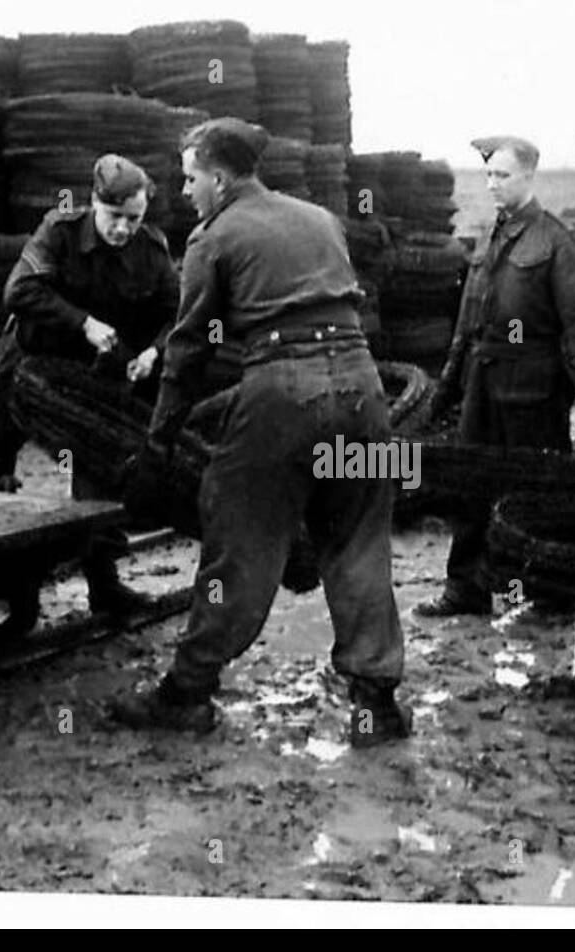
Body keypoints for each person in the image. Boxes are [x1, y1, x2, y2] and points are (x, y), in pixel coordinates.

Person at [109, 118, 409, 745]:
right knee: (358, 540)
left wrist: (158, 441)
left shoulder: (211, 238)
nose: (184, 189)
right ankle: (374, 705)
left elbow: (187, 350)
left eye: (190, 177)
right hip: (362, 388)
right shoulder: (320, 218)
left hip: (283, 397)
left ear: (218, 178)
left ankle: (186, 692)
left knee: (238, 533)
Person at [0, 154, 179, 615]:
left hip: (86, 379)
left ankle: (104, 586)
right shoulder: (57, 232)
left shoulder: (152, 251)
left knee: (100, 480)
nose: (123, 229)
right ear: (94, 204)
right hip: (23, 366)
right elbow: (18, 292)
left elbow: (174, 313)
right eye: (115, 217)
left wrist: (152, 352)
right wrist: (83, 323)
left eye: (134, 220)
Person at [418, 134, 575, 618]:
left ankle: (554, 593)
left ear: (529, 177)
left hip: (535, 389)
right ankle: (467, 589)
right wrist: (449, 384)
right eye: (488, 175)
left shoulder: (556, 241)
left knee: (541, 491)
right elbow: (469, 318)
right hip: (484, 381)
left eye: (502, 175)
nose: (492, 184)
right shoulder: (493, 236)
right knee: (470, 485)